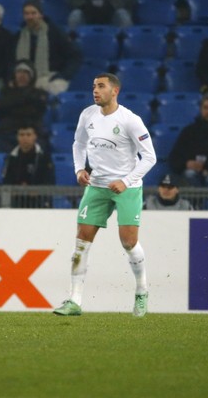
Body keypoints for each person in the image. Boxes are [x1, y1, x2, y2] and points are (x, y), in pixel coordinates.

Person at [53, 72, 157, 317]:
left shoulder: (131, 120)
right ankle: (74, 301)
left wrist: (126, 180)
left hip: (127, 188)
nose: (95, 90)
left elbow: (150, 157)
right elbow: (78, 144)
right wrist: (79, 168)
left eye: (101, 86)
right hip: (97, 186)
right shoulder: (87, 114)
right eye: (93, 86)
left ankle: (142, 292)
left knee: (129, 243)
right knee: (81, 243)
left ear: (115, 91)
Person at [14, 0, 82, 95]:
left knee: (52, 89)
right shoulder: (19, 35)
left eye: (33, 13)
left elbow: (75, 55)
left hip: (52, 75)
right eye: (26, 13)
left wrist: (64, 75)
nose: (30, 17)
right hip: (26, 77)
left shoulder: (56, 33)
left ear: (41, 15)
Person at [0, 61, 49, 153]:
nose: (22, 75)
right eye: (19, 72)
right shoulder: (5, 92)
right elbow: (0, 105)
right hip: (7, 133)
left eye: (26, 72)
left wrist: (13, 103)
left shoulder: (39, 93)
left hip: (31, 133)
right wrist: (25, 99)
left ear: (31, 76)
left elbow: (36, 110)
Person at [3, 124, 56, 208]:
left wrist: (37, 191)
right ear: (17, 137)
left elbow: (50, 180)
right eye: (21, 135)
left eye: (28, 134)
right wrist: (18, 189)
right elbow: (6, 181)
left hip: (39, 203)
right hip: (16, 204)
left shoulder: (44, 157)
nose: (25, 138)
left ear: (35, 136)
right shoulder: (11, 158)